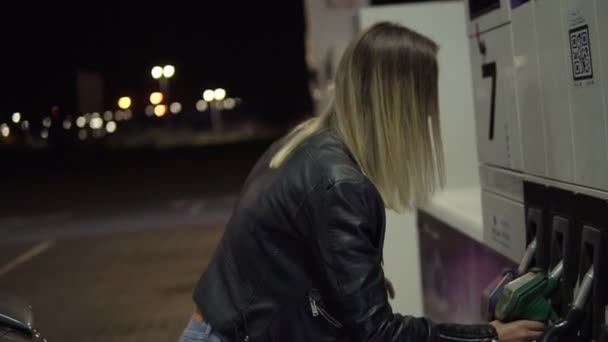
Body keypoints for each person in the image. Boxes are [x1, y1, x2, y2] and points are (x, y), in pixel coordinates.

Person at [180, 22, 545, 342]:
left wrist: (342, 285)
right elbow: (379, 333)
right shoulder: (341, 184)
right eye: (425, 97)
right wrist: (490, 335)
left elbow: (277, 260)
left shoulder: (302, 144)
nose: (431, 112)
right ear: (402, 102)